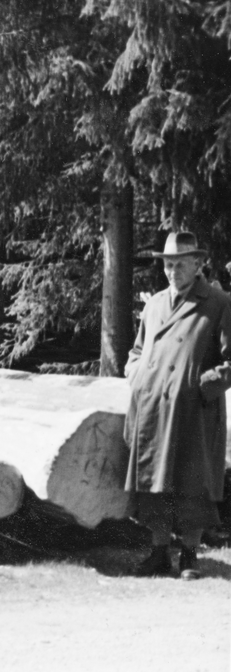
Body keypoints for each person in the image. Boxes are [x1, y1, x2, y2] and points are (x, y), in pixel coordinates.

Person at [124, 230, 231, 579]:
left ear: (198, 264)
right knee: (155, 480)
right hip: (153, 408)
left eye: (181, 264)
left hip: (194, 410)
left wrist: (204, 386)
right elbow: (137, 351)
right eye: (168, 264)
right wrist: (137, 375)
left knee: (191, 481)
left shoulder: (218, 302)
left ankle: (188, 556)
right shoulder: (154, 304)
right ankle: (157, 553)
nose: (173, 271)